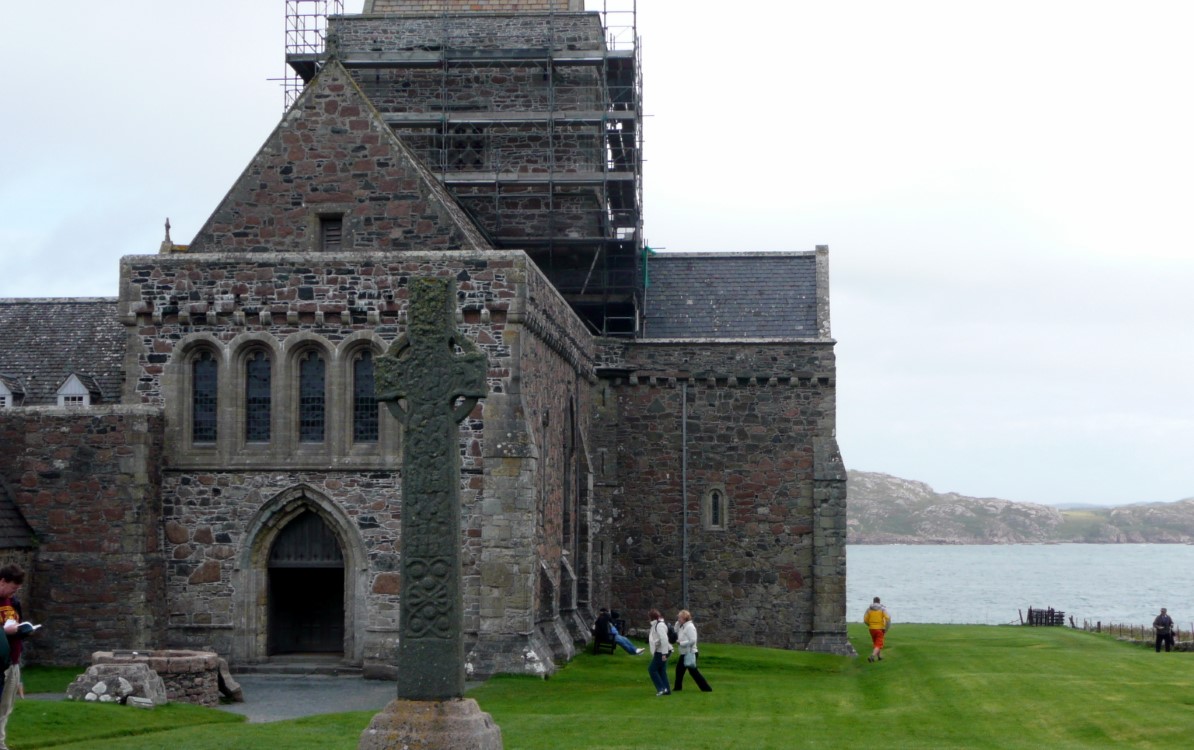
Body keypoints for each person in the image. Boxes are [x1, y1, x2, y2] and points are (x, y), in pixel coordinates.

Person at [0, 564, 28, 750]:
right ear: (2, 581)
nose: (14, 592)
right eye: (12, 587)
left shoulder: (14, 603)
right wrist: (4, 631)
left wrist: (24, 630)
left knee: (6, 707)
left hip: (13, 660)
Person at [672, 609, 712, 692]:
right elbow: (675, 632)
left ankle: (706, 688)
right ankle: (677, 688)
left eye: (680, 618)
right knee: (679, 670)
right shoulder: (682, 626)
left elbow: (693, 640)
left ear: (684, 618)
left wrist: (681, 643)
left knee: (693, 672)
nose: (678, 619)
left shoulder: (690, 627)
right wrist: (677, 624)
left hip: (690, 652)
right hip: (684, 652)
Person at [646, 608, 672, 695]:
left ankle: (661, 688)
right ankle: (666, 689)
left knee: (652, 669)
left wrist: (664, 653)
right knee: (661, 671)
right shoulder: (657, 624)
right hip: (661, 651)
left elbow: (664, 639)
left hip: (661, 651)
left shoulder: (659, 625)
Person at [863, 596, 891, 663]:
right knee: (879, 644)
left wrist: (870, 625)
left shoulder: (869, 609)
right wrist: (886, 628)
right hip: (879, 628)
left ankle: (879, 657)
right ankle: (872, 656)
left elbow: (865, 620)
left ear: (873, 601)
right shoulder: (882, 609)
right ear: (879, 602)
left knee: (876, 643)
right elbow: (888, 618)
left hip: (871, 629)